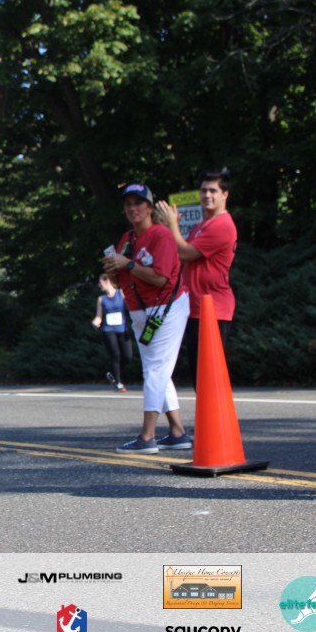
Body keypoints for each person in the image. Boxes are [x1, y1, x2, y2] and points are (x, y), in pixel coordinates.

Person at [103, 183, 191, 454]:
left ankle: (147, 436)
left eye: (138, 203)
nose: (133, 208)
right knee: (159, 370)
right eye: (128, 204)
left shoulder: (161, 235)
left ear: (150, 207)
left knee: (154, 371)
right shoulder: (127, 238)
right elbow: (118, 282)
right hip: (141, 313)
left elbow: (161, 278)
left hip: (166, 309)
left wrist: (128, 263)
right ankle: (177, 432)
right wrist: (113, 270)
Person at [155, 168, 237, 388]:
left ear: (225, 194)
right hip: (195, 306)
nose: (207, 195)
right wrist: (167, 228)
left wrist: (173, 225)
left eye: (213, 191)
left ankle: (216, 413)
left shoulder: (222, 224)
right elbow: (178, 254)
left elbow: (185, 253)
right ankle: (204, 412)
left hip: (213, 308)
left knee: (209, 374)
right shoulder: (201, 225)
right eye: (203, 190)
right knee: (199, 373)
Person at [90, 274, 132, 392]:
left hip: (122, 329)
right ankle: (118, 383)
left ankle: (113, 374)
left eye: (100, 282)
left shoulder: (121, 293)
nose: (99, 285)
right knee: (115, 355)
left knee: (127, 356)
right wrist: (95, 322)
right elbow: (99, 316)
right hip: (108, 330)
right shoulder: (101, 299)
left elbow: (129, 306)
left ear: (107, 281)